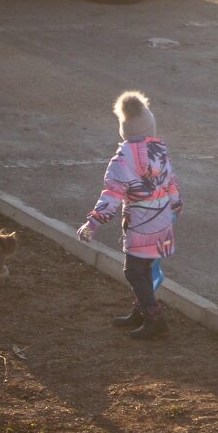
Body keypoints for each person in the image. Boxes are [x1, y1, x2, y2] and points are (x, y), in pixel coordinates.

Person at [77, 90, 182, 340]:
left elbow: (111, 196)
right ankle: (142, 310)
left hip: (141, 224)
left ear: (125, 129)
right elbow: (172, 183)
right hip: (162, 220)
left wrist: (93, 223)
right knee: (144, 268)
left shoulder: (122, 161)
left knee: (133, 271)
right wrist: (176, 207)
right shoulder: (160, 152)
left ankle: (154, 318)